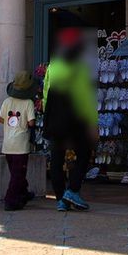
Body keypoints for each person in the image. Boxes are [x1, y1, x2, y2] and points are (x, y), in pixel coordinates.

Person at [43, 26, 98, 211]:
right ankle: (72, 190)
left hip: (56, 119)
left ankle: (60, 199)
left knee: (57, 159)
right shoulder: (80, 68)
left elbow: (46, 94)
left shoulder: (53, 66)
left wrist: (47, 117)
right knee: (84, 153)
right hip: (75, 120)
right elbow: (85, 97)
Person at [0, 70, 37, 211]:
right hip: (21, 144)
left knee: (15, 172)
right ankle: (10, 199)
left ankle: (24, 193)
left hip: (8, 143)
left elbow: (0, 118)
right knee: (18, 174)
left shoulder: (7, 101)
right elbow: (31, 123)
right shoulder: (28, 103)